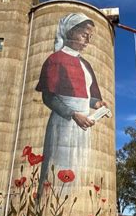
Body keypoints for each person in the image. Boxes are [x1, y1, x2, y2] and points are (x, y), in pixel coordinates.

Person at [35, 13, 107, 199]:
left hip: (84, 124)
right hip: (64, 123)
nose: (88, 40)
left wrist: (97, 103)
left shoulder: (85, 64)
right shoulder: (56, 59)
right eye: (84, 34)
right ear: (71, 32)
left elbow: (85, 94)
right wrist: (73, 114)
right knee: (59, 167)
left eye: (90, 36)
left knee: (80, 168)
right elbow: (49, 97)